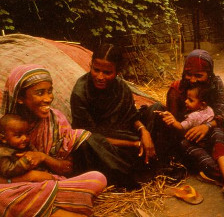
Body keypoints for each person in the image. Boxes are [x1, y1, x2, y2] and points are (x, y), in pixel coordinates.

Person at [0, 64, 107, 217]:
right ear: (20, 98)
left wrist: (43, 158)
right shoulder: (3, 127)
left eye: (49, 91)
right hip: (18, 186)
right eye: (40, 93)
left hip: (51, 183)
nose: (48, 98)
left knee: (98, 178)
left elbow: (67, 168)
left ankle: (40, 206)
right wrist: (31, 176)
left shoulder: (56, 120)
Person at [70, 43, 172, 190]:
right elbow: (87, 134)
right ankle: (138, 171)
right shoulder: (80, 92)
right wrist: (135, 144)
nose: (100, 77)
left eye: (107, 72)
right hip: (105, 147)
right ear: (90, 65)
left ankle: (153, 163)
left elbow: (132, 117)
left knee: (158, 110)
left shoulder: (121, 87)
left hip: (128, 135)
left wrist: (144, 131)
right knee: (87, 142)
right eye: (96, 70)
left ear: (117, 71)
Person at [166, 49, 224, 184]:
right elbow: (174, 128)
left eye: (199, 75)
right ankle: (217, 172)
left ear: (209, 75)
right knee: (186, 147)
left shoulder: (216, 85)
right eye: (188, 74)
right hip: (188, 137)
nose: (192, 80)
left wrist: (207, 126)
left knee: (218, 133)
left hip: (212, 131)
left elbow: (221, 110)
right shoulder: (177, 89)